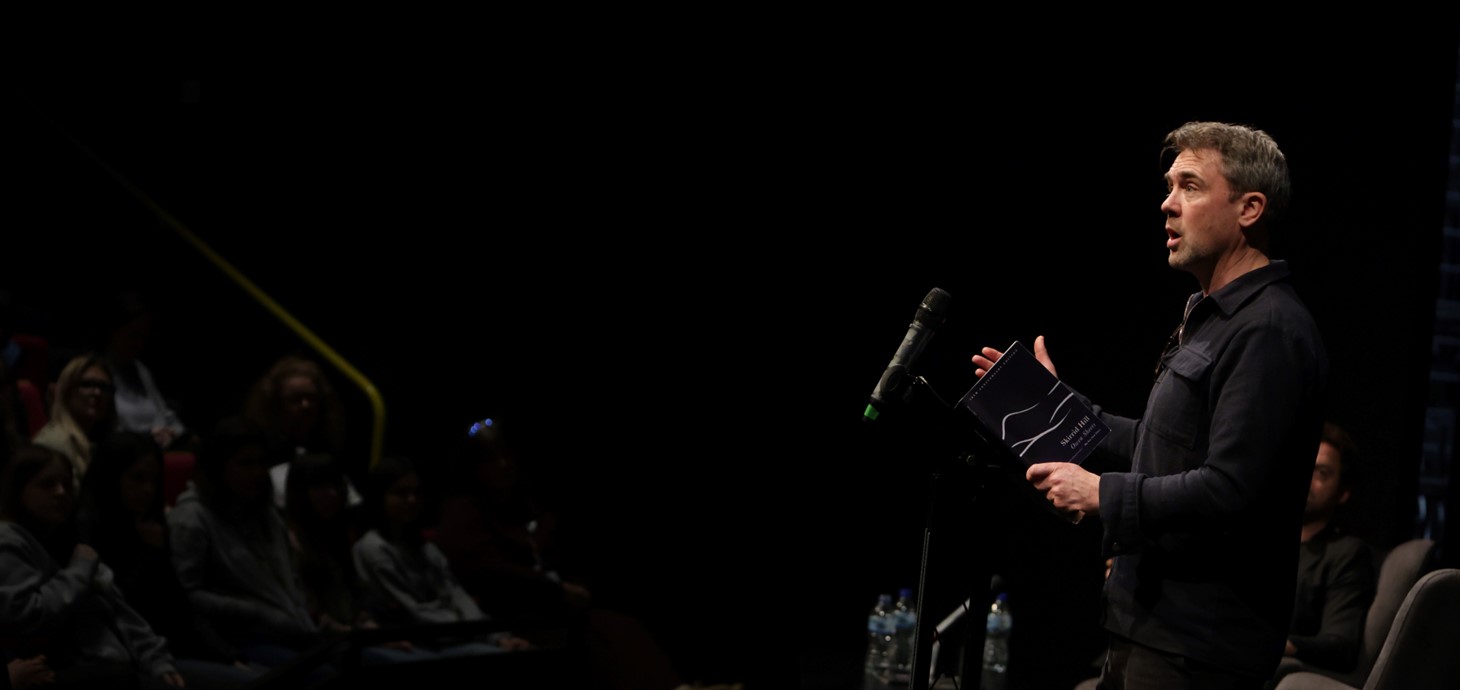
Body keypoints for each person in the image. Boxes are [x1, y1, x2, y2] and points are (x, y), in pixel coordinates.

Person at [975, 121, 1327, 689]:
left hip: (1197, 650)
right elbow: (1160, 446)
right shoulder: (1212, 317)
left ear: (1249, 208)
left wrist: (1100, 493)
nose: (1167, 204)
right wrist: (1056, 407)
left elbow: (1231, 490)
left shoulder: (1269, 331)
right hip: (1147, 627)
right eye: (1168, 186)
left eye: (1189, 186)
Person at [75, 430, 264, 688]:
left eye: (153, 480)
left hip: (173, 647)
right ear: (111, 477)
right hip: (130, 660)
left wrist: (226, 656)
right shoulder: (87, 534)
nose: (148, 490)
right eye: (137, 478)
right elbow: (120, 610)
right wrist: (148, 554)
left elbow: (179, 604)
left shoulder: (147, 525)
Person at [0, 444, 184, 689]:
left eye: (67, 484)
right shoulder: (8, 541)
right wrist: (79, 571)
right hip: (84, 673)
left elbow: (119, 609)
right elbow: (29, 617)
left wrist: (157, 658)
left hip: (128, 663)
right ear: (18, 490)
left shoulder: (68, 538)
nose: (61, 492)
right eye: (47, 484)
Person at [166, 416, 333, 679]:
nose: (256, 473)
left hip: (292, 631)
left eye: (261, 463)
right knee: (324, 676)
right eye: (245, 464)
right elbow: (185, 596)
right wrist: (253, 612)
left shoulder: (265, 513)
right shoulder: (191, 519)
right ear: (218, 466)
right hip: (237, 639)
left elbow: (290, 578)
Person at [352, 455, 532, 656]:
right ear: (380, 497)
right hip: (423, 641)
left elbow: (455, 593)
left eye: (417, 493)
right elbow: (412, 612)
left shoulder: (423, 546)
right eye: (401, 493)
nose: (411, 500)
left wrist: (498, 637)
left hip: (454, 634)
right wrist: (474, 633)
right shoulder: (373, 548)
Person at [1282, 422, 1375, 673]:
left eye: (1321, 473)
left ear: (1343, 492)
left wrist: (1271, 645)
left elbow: (1339, 644)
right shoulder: (1261, 538)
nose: (1306, 479)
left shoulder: (1347, 554)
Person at [94, 292, 193, 452]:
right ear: (112, 331)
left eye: (144, 338)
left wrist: (176, 433)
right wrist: (148, 437)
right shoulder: (96, 371)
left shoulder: (139, 369)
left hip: (155, 452)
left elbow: (163, 413)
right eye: (133, 335)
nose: (139, 345)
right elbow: (107, 429)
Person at [31, 353, 118, 484]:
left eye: (104, 387)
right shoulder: (54, 443)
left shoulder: (104, 442)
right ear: (67, 390)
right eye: (87, 384)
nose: (97, 393)